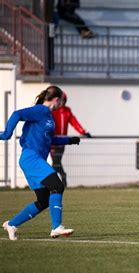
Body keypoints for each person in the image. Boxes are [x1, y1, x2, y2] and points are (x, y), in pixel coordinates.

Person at [1, 86, 80, 241]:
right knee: (57, 186)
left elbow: (50, 139)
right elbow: (17, 114)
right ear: (57, 99)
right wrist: (6, 133)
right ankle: (56, 227)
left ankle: (11, 224)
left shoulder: (48, 116)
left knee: (43, 201)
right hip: (31, 158)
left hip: (34, 160)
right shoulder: (40, 110)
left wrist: (69, 140)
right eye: (62, 101)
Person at [50, 92, 91, 187]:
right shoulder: (52, 111)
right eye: (60, 100)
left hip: (62, 141)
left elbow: (74, 122)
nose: (62, 102)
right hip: (52, 141)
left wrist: (83, 132)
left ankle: (54, 181)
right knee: (56, 161)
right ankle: (60, 178)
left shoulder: (67, 111)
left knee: (56, 161)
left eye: (63, 100)